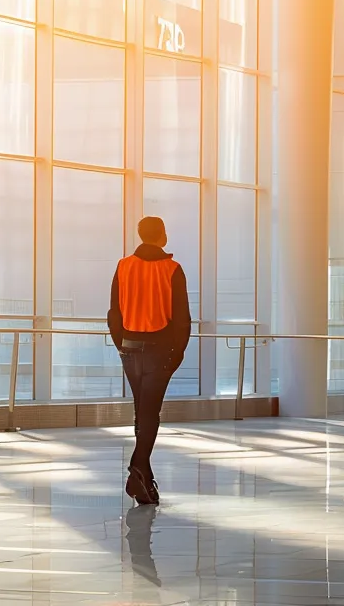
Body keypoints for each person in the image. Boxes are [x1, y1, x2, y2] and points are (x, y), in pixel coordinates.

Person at [107, 216, 190, 505]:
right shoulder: (172, 269)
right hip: (159, 349)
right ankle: (137, 470)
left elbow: (114, 313)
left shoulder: (123, 265)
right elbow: (181, 319)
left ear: (140, 235)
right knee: (149, 412)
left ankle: (143, 474)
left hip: (130, 348)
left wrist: (121, 344)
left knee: (141, 409)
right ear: (162, 235)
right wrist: (177, 353)